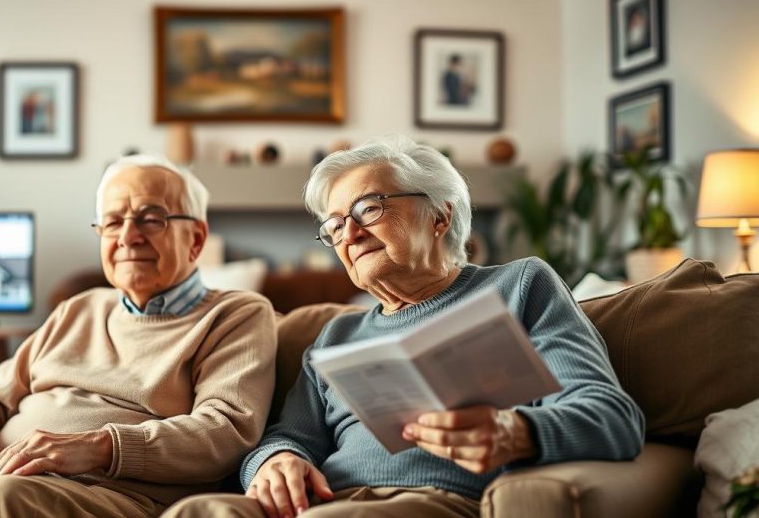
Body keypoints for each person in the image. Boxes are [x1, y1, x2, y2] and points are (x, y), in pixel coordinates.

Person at [164, 136, 644, 518]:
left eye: (368, 209)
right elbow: (286, 435)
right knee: (199, 511)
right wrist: (275, 461)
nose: (348, 235)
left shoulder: (520, 286)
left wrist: (518, 431)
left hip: (438, 501)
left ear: (440, 215)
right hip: (329, 499)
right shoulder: (335, 337)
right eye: (334, 226)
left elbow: (613, 417)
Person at [0, 154, 277, 518]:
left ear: (196, 239)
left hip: (124, 496)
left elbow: (225, 430)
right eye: (114, 222)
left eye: (151, 218)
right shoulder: (80, 308)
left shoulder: (235, 314)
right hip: (13, 475)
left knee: (5, 497)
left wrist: (96, 447)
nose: (128, 236)